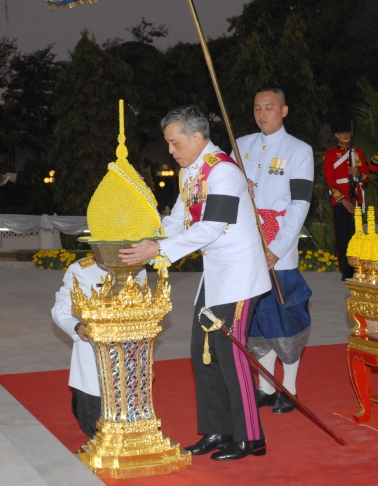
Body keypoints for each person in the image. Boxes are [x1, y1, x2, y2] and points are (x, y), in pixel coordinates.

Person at [119, 105, 271, 461]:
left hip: (238, 277)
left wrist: (160, 248)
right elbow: (179, 218)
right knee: (202, 356)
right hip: (214, 276)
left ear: (197, 136)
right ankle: (218, 430)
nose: (170, 151)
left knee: (231, 357)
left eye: (175, 142)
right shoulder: (191, 171)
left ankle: (251, 437)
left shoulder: (224, 172)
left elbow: (211, 227)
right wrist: (150, 237)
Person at [234, 86, 314, 415]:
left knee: (284, 316)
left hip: (278, 241)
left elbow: (300, 203)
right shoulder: (241, 147)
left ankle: (289, 387)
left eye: (269, 107)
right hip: (247, 242)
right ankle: (265, 386)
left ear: (284, 110)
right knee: (255, 319)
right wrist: (241, 187)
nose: (262, 113)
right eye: (257, 108)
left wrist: (278, 248)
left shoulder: (299, 150)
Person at [51, 256, 146, 437]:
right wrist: (77, 327)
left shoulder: (138, 267)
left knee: (130, 429)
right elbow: (61, 310)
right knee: (95, 427)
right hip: (95, 359)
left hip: (130, 359)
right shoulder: (82, 269)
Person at [323, 103, 370, 280]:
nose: (346, 135)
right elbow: (330, 181)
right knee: (343, 236)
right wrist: (344, 200)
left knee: (357, 234)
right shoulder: (330, 155)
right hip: (341, 200)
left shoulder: (358, 153)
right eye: (342, 132)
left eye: (347, 132)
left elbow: (366, 178)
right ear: (336, 134)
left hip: (357, 197)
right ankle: (346, 269)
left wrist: (358, 173)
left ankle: (357, 267)